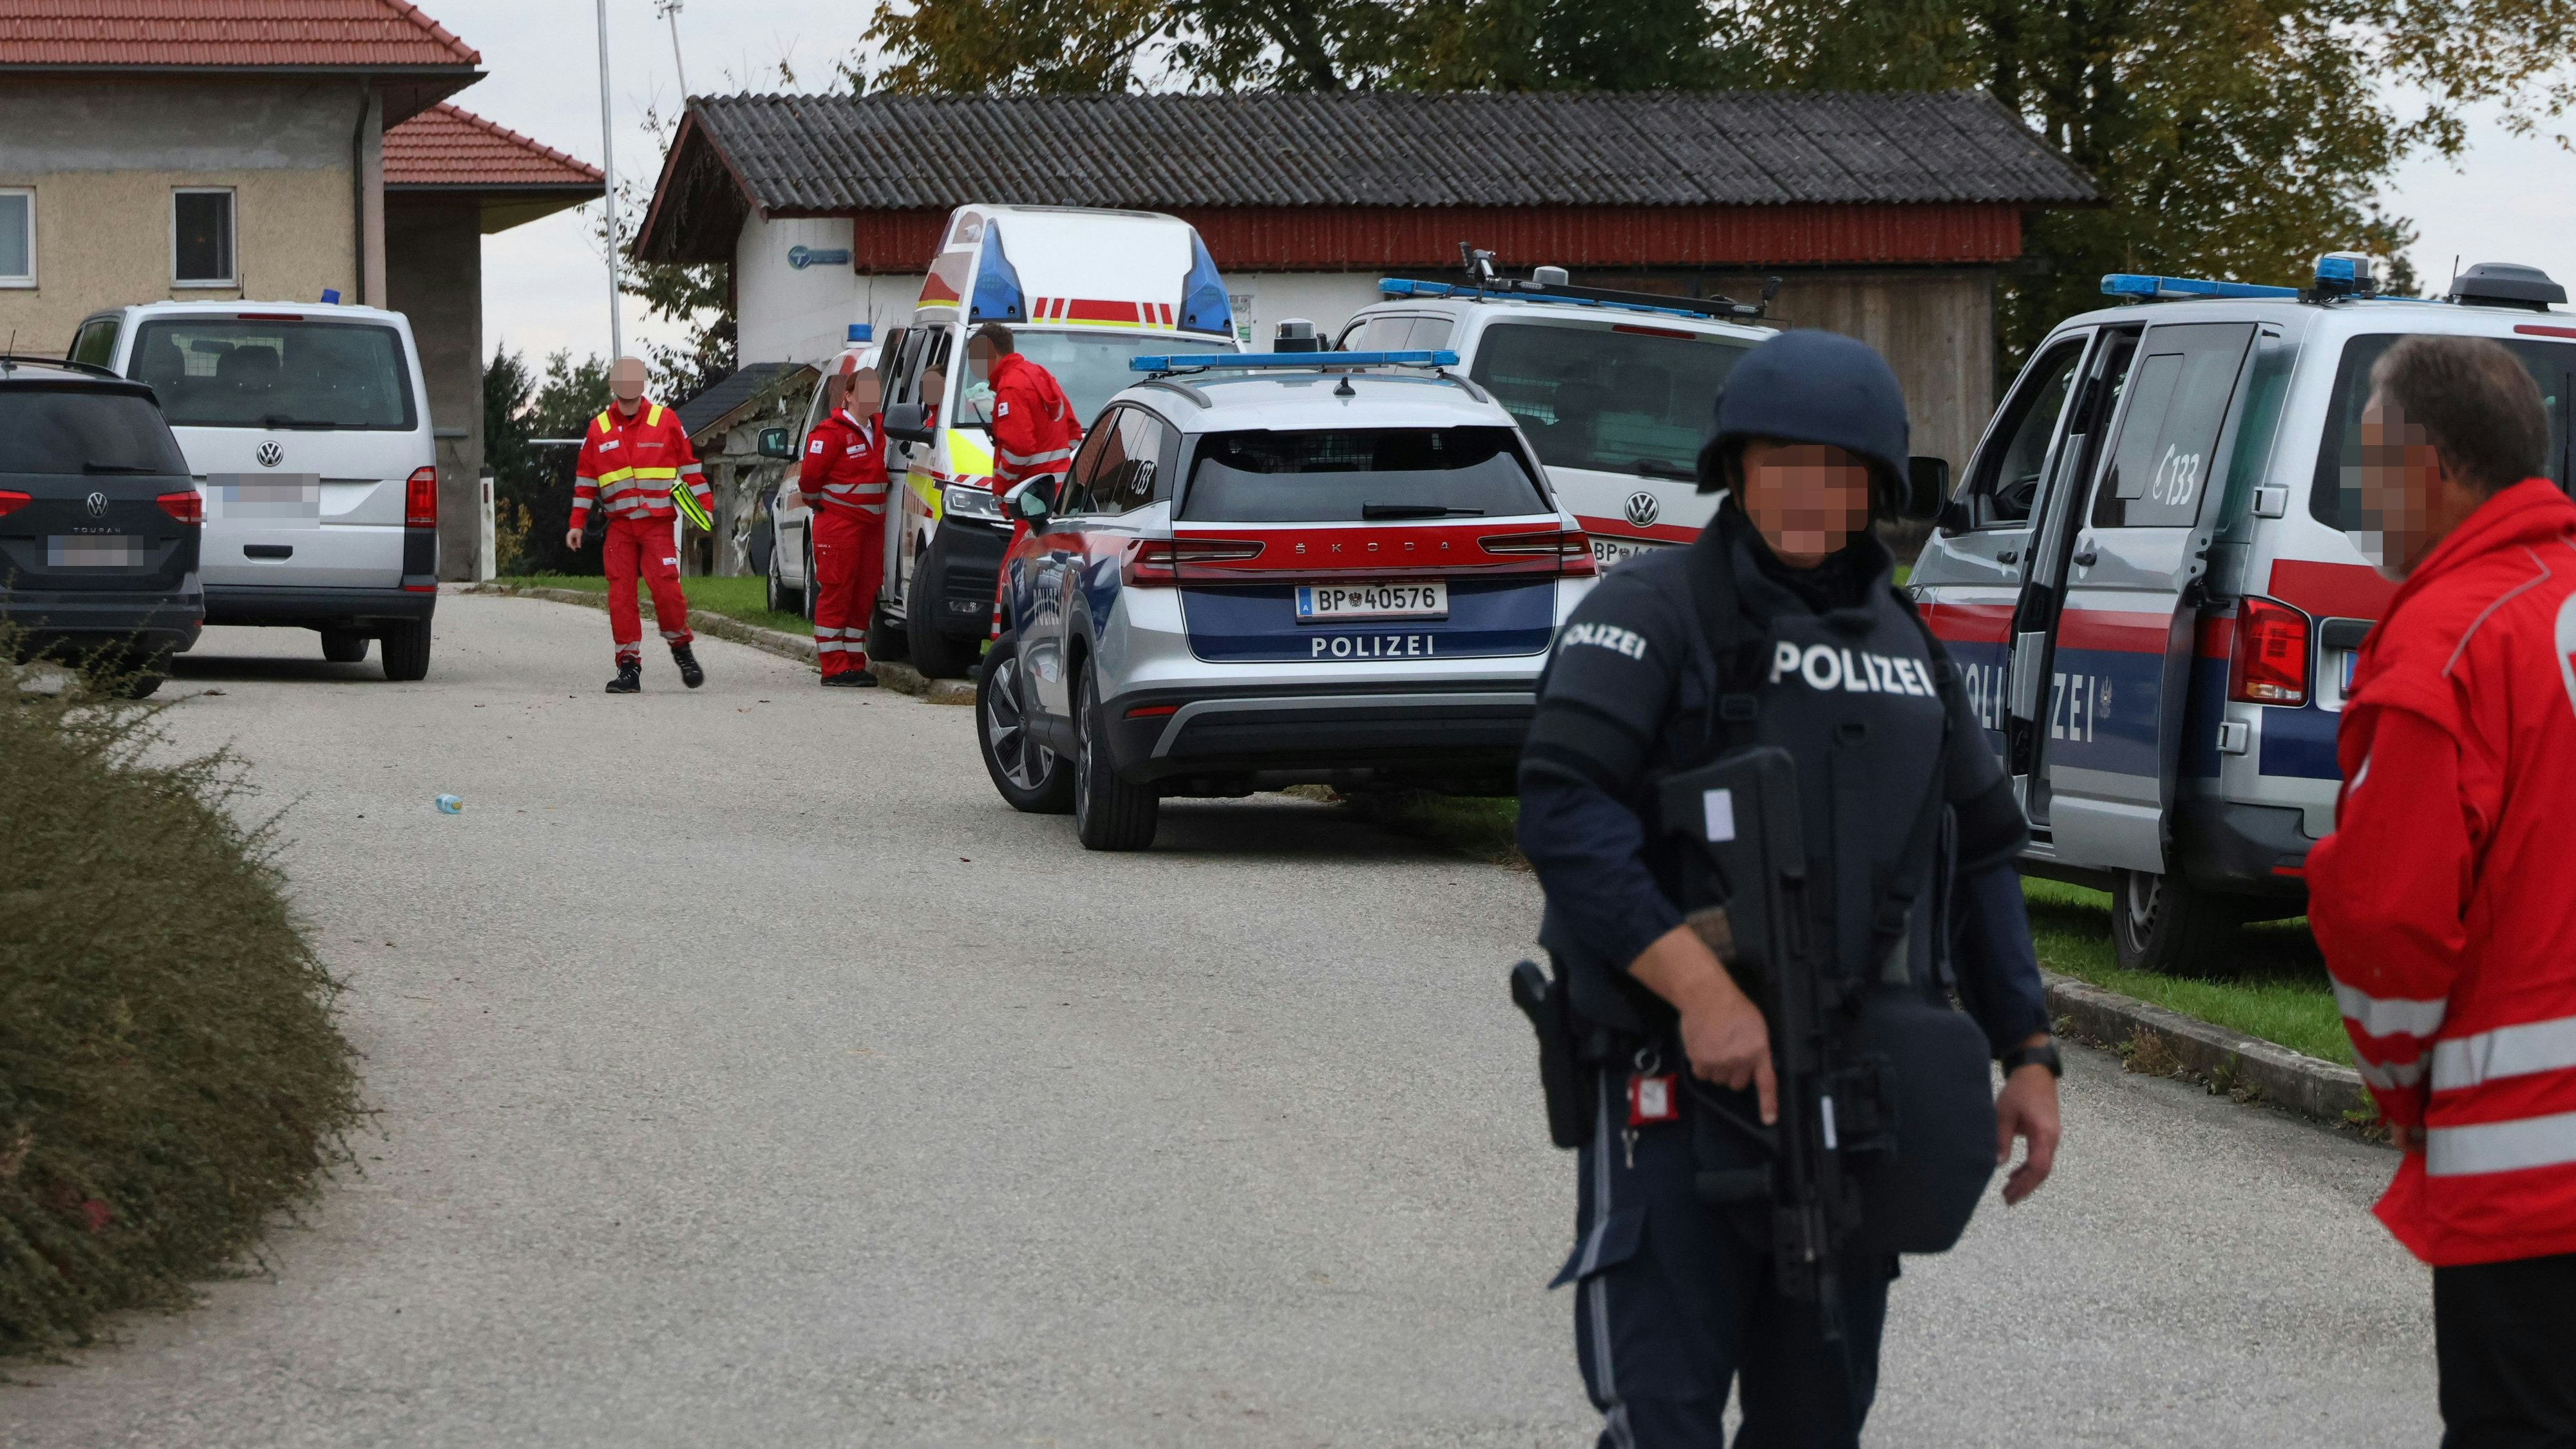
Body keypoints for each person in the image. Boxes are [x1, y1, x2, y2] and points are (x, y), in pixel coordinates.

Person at [1516, 330, 2062, 1448]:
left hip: (1845, 1101)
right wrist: (1700, 990)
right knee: (1658, 1419)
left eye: (1841, 470)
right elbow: (1563, 812)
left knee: (1817, 1427)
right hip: (1674, 1089)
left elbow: (1985, 855)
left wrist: (2032, 1054)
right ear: (1735, 468)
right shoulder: (1652, 612)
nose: (1812, 492)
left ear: (1876, 487)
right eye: (1784, 463)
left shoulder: (1913, 648)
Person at [2305, 334, 2576, 1448]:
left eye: (2370, 466)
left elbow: (2384, 919)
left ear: (2433, 470)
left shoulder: (2447, 637)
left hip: (2529, 1169)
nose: (2363, 498)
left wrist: (2407, 1087)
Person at [565, 356, 710, 694]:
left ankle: (681, 650)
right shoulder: (598, 429)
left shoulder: (666, 420)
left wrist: (704, 509)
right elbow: (585, 480)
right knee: (621, 598)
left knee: (667, 591)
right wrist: (576, 523)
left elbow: (689, 467)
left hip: (658, 524)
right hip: (620, 528)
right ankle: (628, 667)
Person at [965, 324, 1079, 646]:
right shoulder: (1039, 374)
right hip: (1054, 494)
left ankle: (1006, 649)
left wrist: (1002, 488)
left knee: (1013, 572)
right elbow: (1072, 433)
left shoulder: (1011, 387)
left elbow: (1017, 450)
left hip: (1030, 498)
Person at [799, 360, 893, 687]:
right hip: (839, 525)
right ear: (849, 396)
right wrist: (823, 505)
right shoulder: (829, 433)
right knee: (837, 591)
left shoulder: (879, 430)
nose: (871, 398)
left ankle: (854, 660)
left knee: (864, 590)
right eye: (864, 392)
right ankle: (833, 666)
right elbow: (809, 481)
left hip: (871, 527)